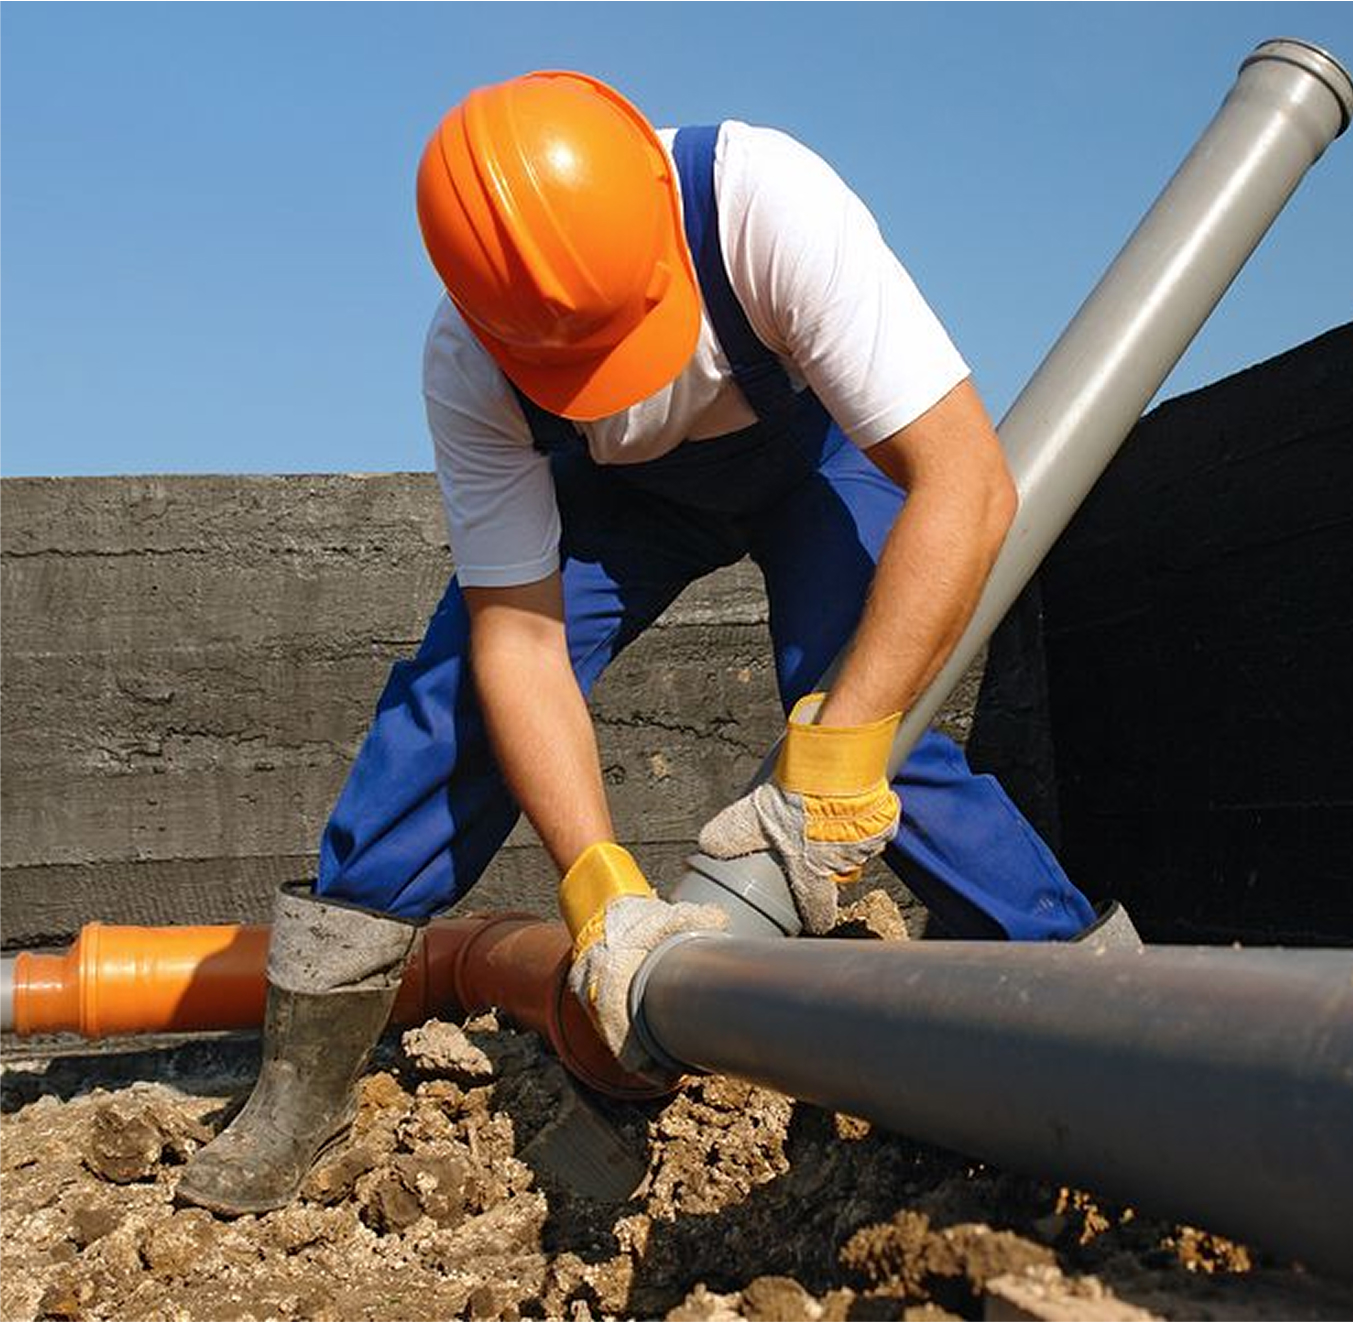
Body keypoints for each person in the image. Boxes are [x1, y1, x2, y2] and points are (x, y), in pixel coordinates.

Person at [178, 69, 1119, 1217]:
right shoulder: (469, 361)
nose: (617, 377)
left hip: (812, 456)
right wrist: (599, 887)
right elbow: (520, 643)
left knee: (873, 714)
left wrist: (837, 755)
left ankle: (1101, 1003)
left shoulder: (765, 204)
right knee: (451, 706)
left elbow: (965, 482)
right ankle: (302, 1082)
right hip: (617, 500)